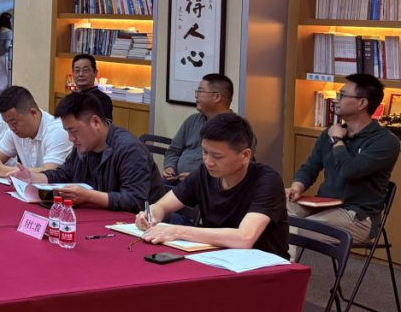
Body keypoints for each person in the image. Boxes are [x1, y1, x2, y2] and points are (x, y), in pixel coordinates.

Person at [136, 113, 290, 259]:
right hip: (216, 258)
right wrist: (149, 215)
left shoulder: (267, 181)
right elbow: (162, 206)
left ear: (245, 155)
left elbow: (244, 237)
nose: (208, 161)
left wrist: (177, 231)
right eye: (204, 152)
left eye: (217, 156)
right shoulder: (204, 173)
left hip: (264, 266)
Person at [286, 74, 400, 246]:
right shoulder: (331, 133)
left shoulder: (386, 141)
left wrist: (337, 141)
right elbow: (310, 167)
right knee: (269, 212)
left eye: (342, 95)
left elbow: (350, 170)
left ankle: (287, 264)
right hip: (323, 206)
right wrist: (296, 187)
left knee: (291, 227)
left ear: (362, 103)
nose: (335, 100)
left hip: (357, 216)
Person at [29, 91, 166, 212]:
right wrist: (31, 177)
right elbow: (64, 174)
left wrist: (90, 196)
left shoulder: (130, 149)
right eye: (67, 131)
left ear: (95, 122)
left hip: (142, 225)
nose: (71, 138)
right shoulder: (83, 145)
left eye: (74, 131)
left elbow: (135, 200)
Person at [0, 85, 71, 178]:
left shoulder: (57, 130)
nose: (11, 128)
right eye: (7, 123)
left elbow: (50, 172)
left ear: (33, 113)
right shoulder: (14, 131)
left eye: (14, 122)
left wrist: (3, 170)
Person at [163, 73, 234, 183]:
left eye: (200, 91)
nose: (196, 96)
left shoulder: (236, 129)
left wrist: (199, 178)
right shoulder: (192, 120)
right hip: (176, 183)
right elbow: (173, 151)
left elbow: (232, 169)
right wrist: (169, 168)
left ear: (216, 97)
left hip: (208, 189)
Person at [71, 53, 113, 122]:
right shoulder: (70, 98)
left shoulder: (103, 99)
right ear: (73, 73)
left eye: (86, 70)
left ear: (95, 73)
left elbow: (105, 126)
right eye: (77, 70)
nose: (81, 74)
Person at [0, 11, 13, 94]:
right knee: (5, 77)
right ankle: (4, 95)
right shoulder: (9, 32)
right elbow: (7, 46)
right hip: (5, 57)